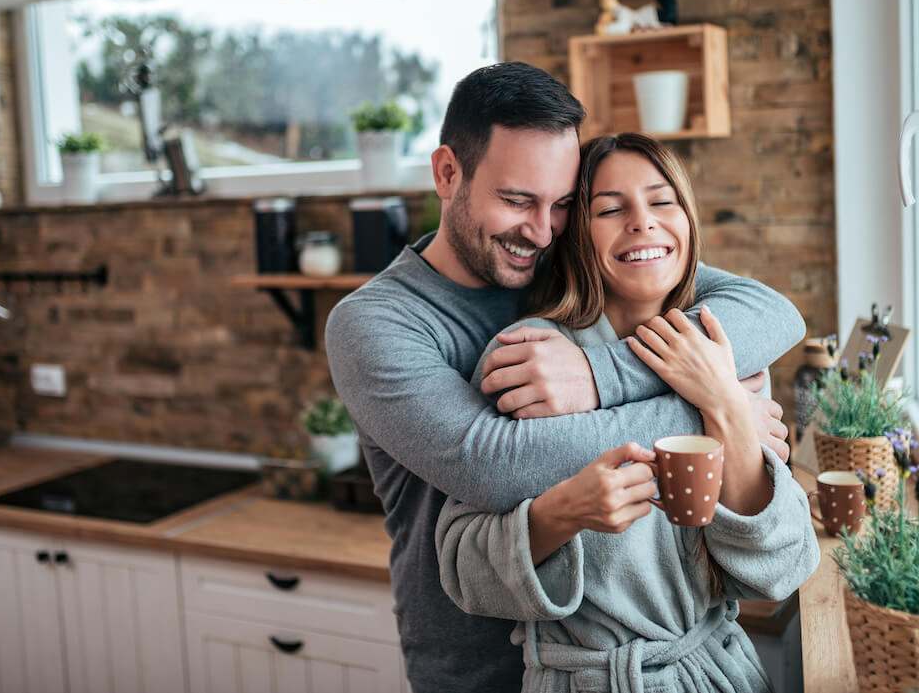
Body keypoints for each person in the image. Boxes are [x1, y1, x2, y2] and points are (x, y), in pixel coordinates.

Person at [324, 61, 805, 693]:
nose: (542, 229)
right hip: (478, 667)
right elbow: (490, 463)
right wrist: (718, 412)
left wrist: (598, 373)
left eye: (561, 205)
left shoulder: (569, 263)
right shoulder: (376, 323)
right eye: (517, 200)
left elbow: (772, 313)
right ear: (447, 173)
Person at [436, 133, 819, 693]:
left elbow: (781, 570)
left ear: (688, 221)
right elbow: (463, 569)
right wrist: (560, 513)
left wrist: (721, 398)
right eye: (611, 209)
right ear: (578, 237)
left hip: (717, 673)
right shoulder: (531, 361)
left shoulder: (723, 355)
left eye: (662, 201)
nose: (642, 222)